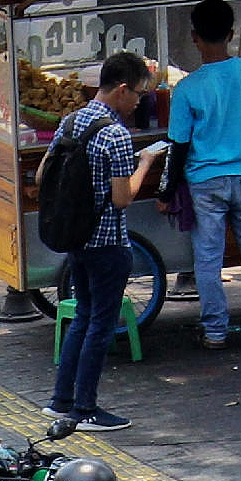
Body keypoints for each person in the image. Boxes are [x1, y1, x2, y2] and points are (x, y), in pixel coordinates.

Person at [169, 0, 241, 350]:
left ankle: (215, 331)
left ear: (194, 37)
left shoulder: (187, 88)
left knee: (208, 255)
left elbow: (179, 145)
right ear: (231, 33)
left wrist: (166, 191)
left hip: (205, 181)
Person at [44, 50, 151, 434]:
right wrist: (145, 165)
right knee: (101, 323)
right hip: (108, 242)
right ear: (121, 89)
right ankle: (86, 407)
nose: (140, 101)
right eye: (139, 93)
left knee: (83, 316)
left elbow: (44, 173)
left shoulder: (71, 121)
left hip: (76, 238)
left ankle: (61, 400)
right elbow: (123, 198)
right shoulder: (116, 135)